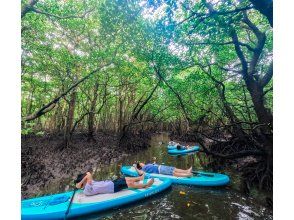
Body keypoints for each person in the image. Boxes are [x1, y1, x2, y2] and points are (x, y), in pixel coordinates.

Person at [75, 171, 154, 196]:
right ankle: (145, 185)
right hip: (112, 188)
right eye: (84, 179)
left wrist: (80, 183)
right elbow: (88, 175)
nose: (85, 178)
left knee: (124, 178)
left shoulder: (88, 184)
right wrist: (81, 182)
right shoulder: (87, 189)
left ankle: (140, 178)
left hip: (110, 183)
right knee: (129, 184)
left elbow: (88, 174)